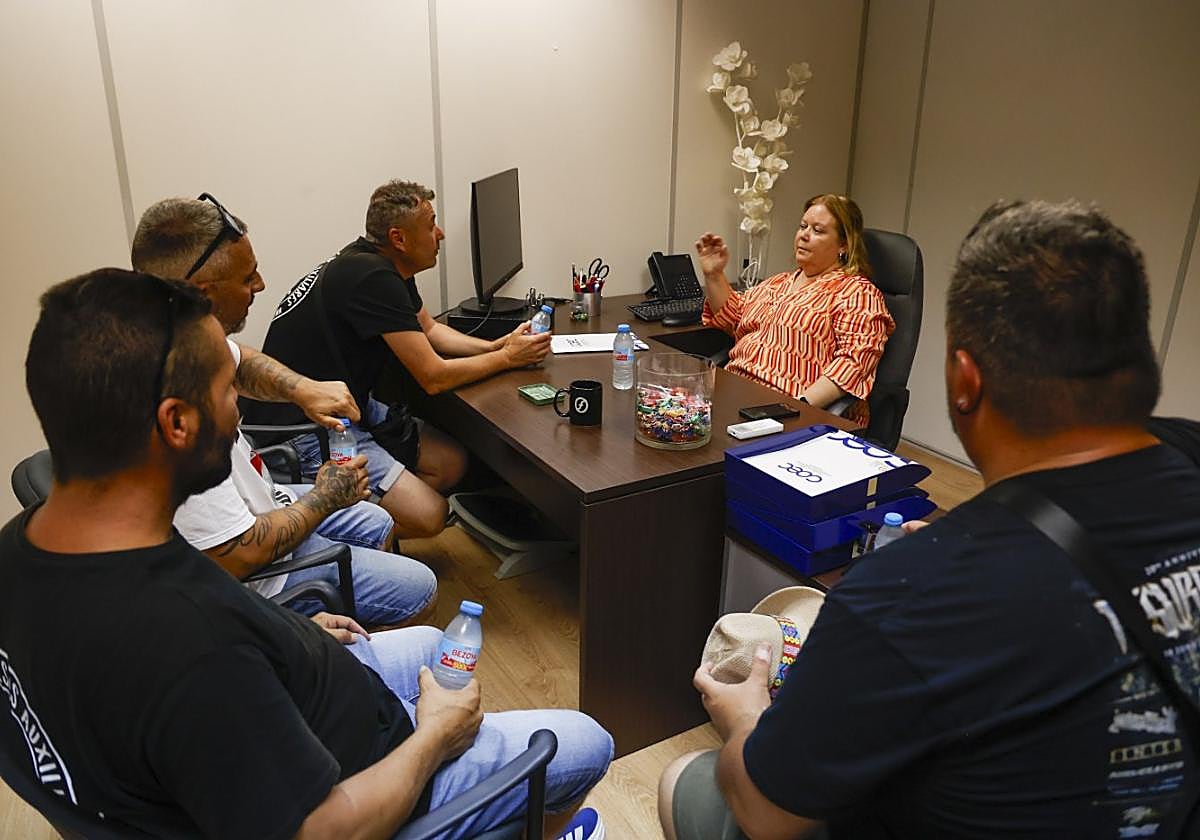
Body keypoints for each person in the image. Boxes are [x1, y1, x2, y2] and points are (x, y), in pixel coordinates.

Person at [0, 268, 612, 839]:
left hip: (305, 699)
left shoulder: (20, 550)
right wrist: (433, 739)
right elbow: (319, 830)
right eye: (226, 389)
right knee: (585, 740)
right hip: (364, 780)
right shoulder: (190, 644)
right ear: (177, 422)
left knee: (431, 646)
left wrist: (288, 631)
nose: (239, 408)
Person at [660, 200, 1200, 838]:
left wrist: (746, 716)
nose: (803, 235)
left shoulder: (902, 593)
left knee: (680, 782)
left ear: (964, 380)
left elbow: (766, 814)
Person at [131, 195, 436, 625]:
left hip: (264, 504)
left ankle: (345, 634)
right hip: (260, 575)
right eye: (246, 277)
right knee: (419, 587)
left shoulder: (177, 329)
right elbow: (239, 553)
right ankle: (324, 663)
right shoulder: (174, 414)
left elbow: (243, 361)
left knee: (377, 522)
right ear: (202, 292)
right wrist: (324, 497)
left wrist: (303, 389)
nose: (259, 285)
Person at [242, 180, 551, 538]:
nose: (441, 234)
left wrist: (498, 347)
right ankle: (325, 532)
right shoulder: (372, 276)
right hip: (306, 427)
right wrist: (508, 360)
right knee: (430, 516)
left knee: (449, 465)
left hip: (348, 403)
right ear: (399, 238)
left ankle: (372, 509)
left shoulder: (380, 264)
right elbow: (433, 376)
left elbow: (430, 330)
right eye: (430, 224)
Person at [696, 194, 894, 425]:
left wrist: (792, 408)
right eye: (802, 226)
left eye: (818, 230)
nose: (804, 235)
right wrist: (714, 274)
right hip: (736, 394)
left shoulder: (857, 292)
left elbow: (854, 363)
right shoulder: (779, 282)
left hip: (786, 410)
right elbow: (733, 317)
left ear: (844, 244)